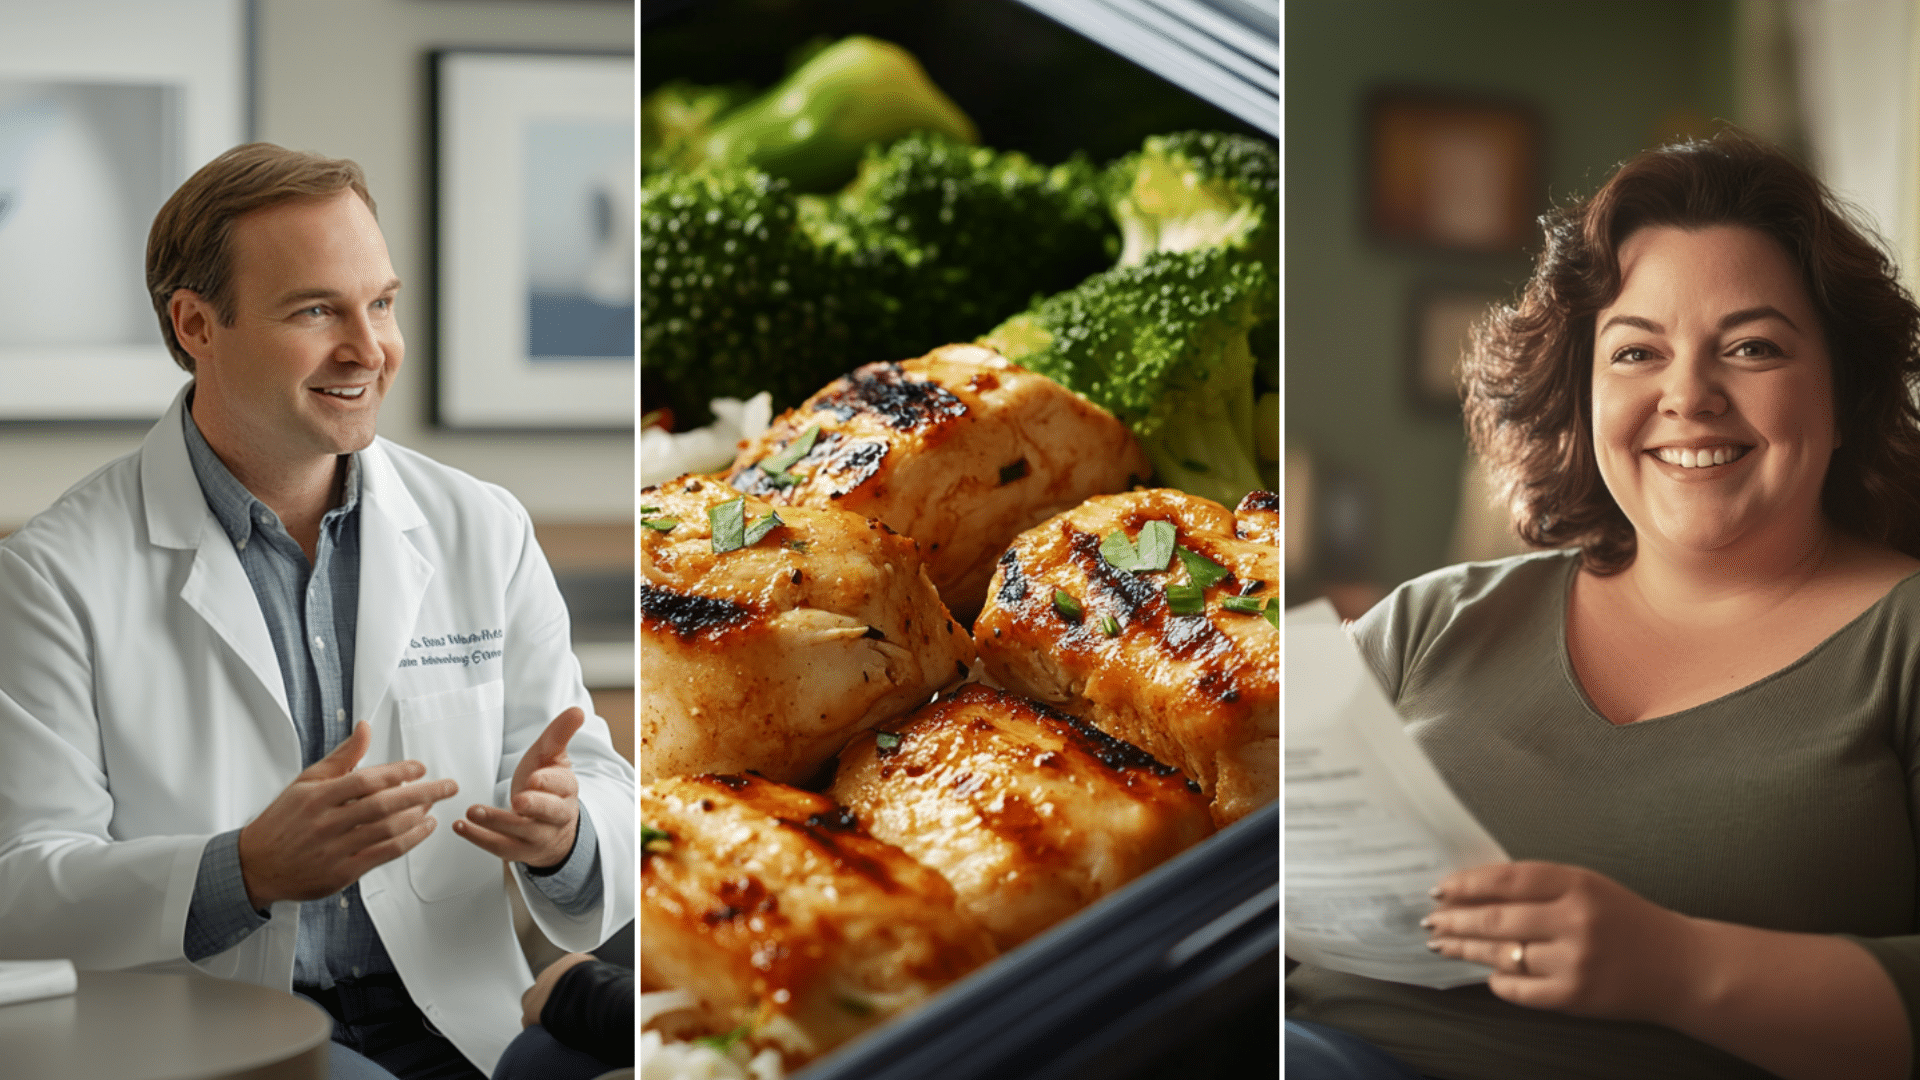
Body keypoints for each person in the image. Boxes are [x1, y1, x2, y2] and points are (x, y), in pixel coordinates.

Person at [1286, 128, 1920, 1080]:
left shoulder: (1902, 641)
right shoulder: (1430, 621)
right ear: (1580, 393)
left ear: (1845, 388)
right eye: (1636, 353)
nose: (1688, 395)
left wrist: (1677, 968)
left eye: (1751, 347)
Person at [0, 143, 635, 1079]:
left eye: (381, 303)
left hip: (465, 1020)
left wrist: (565, 836)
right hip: (223, 1035)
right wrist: (247, 867)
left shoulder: (480, 527)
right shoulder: (52, 575)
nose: (369, 349)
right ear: (195, 326)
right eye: (315, 311)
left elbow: (600, 786)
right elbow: (22, 888)